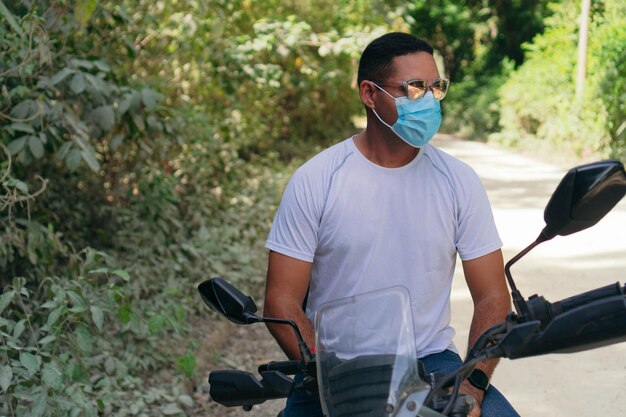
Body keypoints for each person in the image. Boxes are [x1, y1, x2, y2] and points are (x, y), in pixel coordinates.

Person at [263, 32, 519, 417]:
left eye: (437, 87)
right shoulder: (317, 180)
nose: (430, 100)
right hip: (335, 368)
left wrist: (473, 385)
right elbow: (281, 300)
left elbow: (493, 296)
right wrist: (324, 373)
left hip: (430, 364)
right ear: (369, 94)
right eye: (415, 88)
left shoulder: (458, 181)